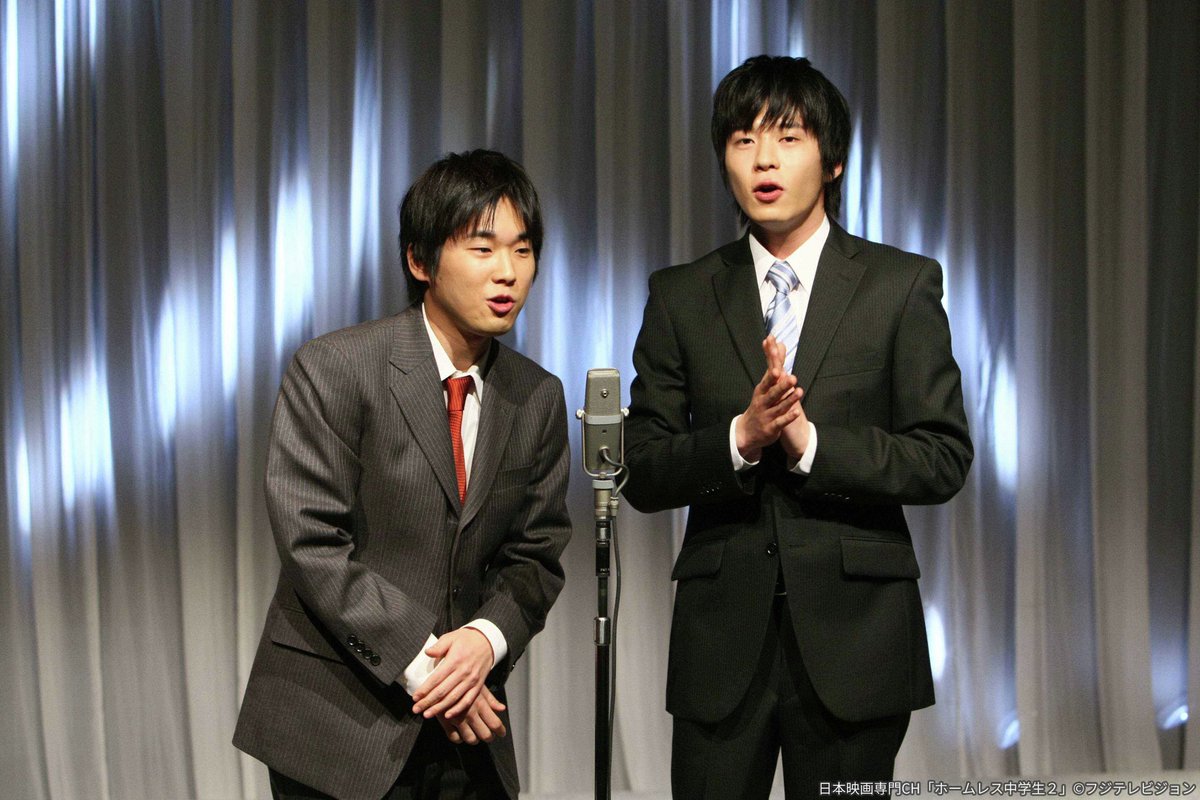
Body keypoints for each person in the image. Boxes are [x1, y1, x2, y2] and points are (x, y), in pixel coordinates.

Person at [623, 55, 973, 798]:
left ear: (833, 160)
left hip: (858, 639)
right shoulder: (681, 295)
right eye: (743, 140)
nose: (765, 159)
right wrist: (740, 439)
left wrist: (811, 445)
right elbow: (643, 468)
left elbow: (941, 456)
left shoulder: (900, 285)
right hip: (722, 644)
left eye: (788, 137)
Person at [233, 149, 572, 800]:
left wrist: (485, 640)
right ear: (420, 261)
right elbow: (313, 545)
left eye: (523, 250)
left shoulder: (537, 396)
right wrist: (431, 669)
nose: (507, 271)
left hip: (470, 728)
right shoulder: (335, 367)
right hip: (337, 721)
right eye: (482, 248)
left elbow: (536, 554)